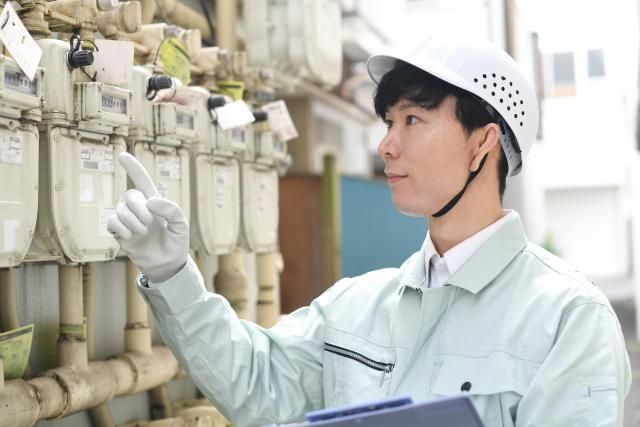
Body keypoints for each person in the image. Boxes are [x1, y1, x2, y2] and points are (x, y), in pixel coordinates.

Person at [108, 37, 632, 427]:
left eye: (412, 120)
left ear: (482, 144)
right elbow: (255, 382)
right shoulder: (356, 306)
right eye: (388, 122)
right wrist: (172, 273)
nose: (386, 145)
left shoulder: (566, 318)